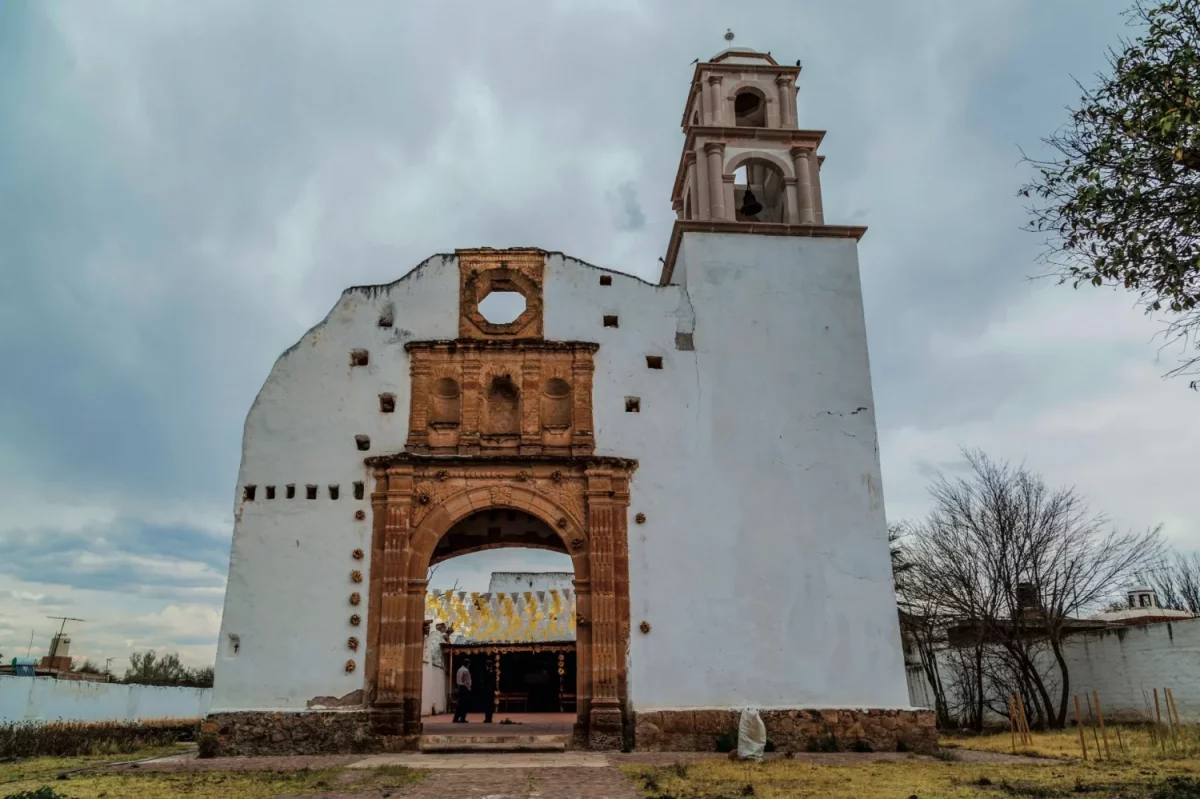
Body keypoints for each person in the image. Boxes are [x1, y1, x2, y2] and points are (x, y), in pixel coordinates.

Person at [453, 659, 472, 723]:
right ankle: (462, 718)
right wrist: (469, 688)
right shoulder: (466, 670)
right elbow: (467, 681)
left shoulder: (459, 670)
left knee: (459, 704)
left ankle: (456, 718)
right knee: (464, 704)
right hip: (464, 688)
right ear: (467, 664)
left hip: (460, 687)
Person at [482, 658, 496, 724]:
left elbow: (483, 681)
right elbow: (494, 682)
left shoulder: (485, 672)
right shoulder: (493, 672)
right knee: (490, 705)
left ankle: (487, 718)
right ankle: (489, 718)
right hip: (490, 691)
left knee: (487, 705)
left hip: (486, 691)